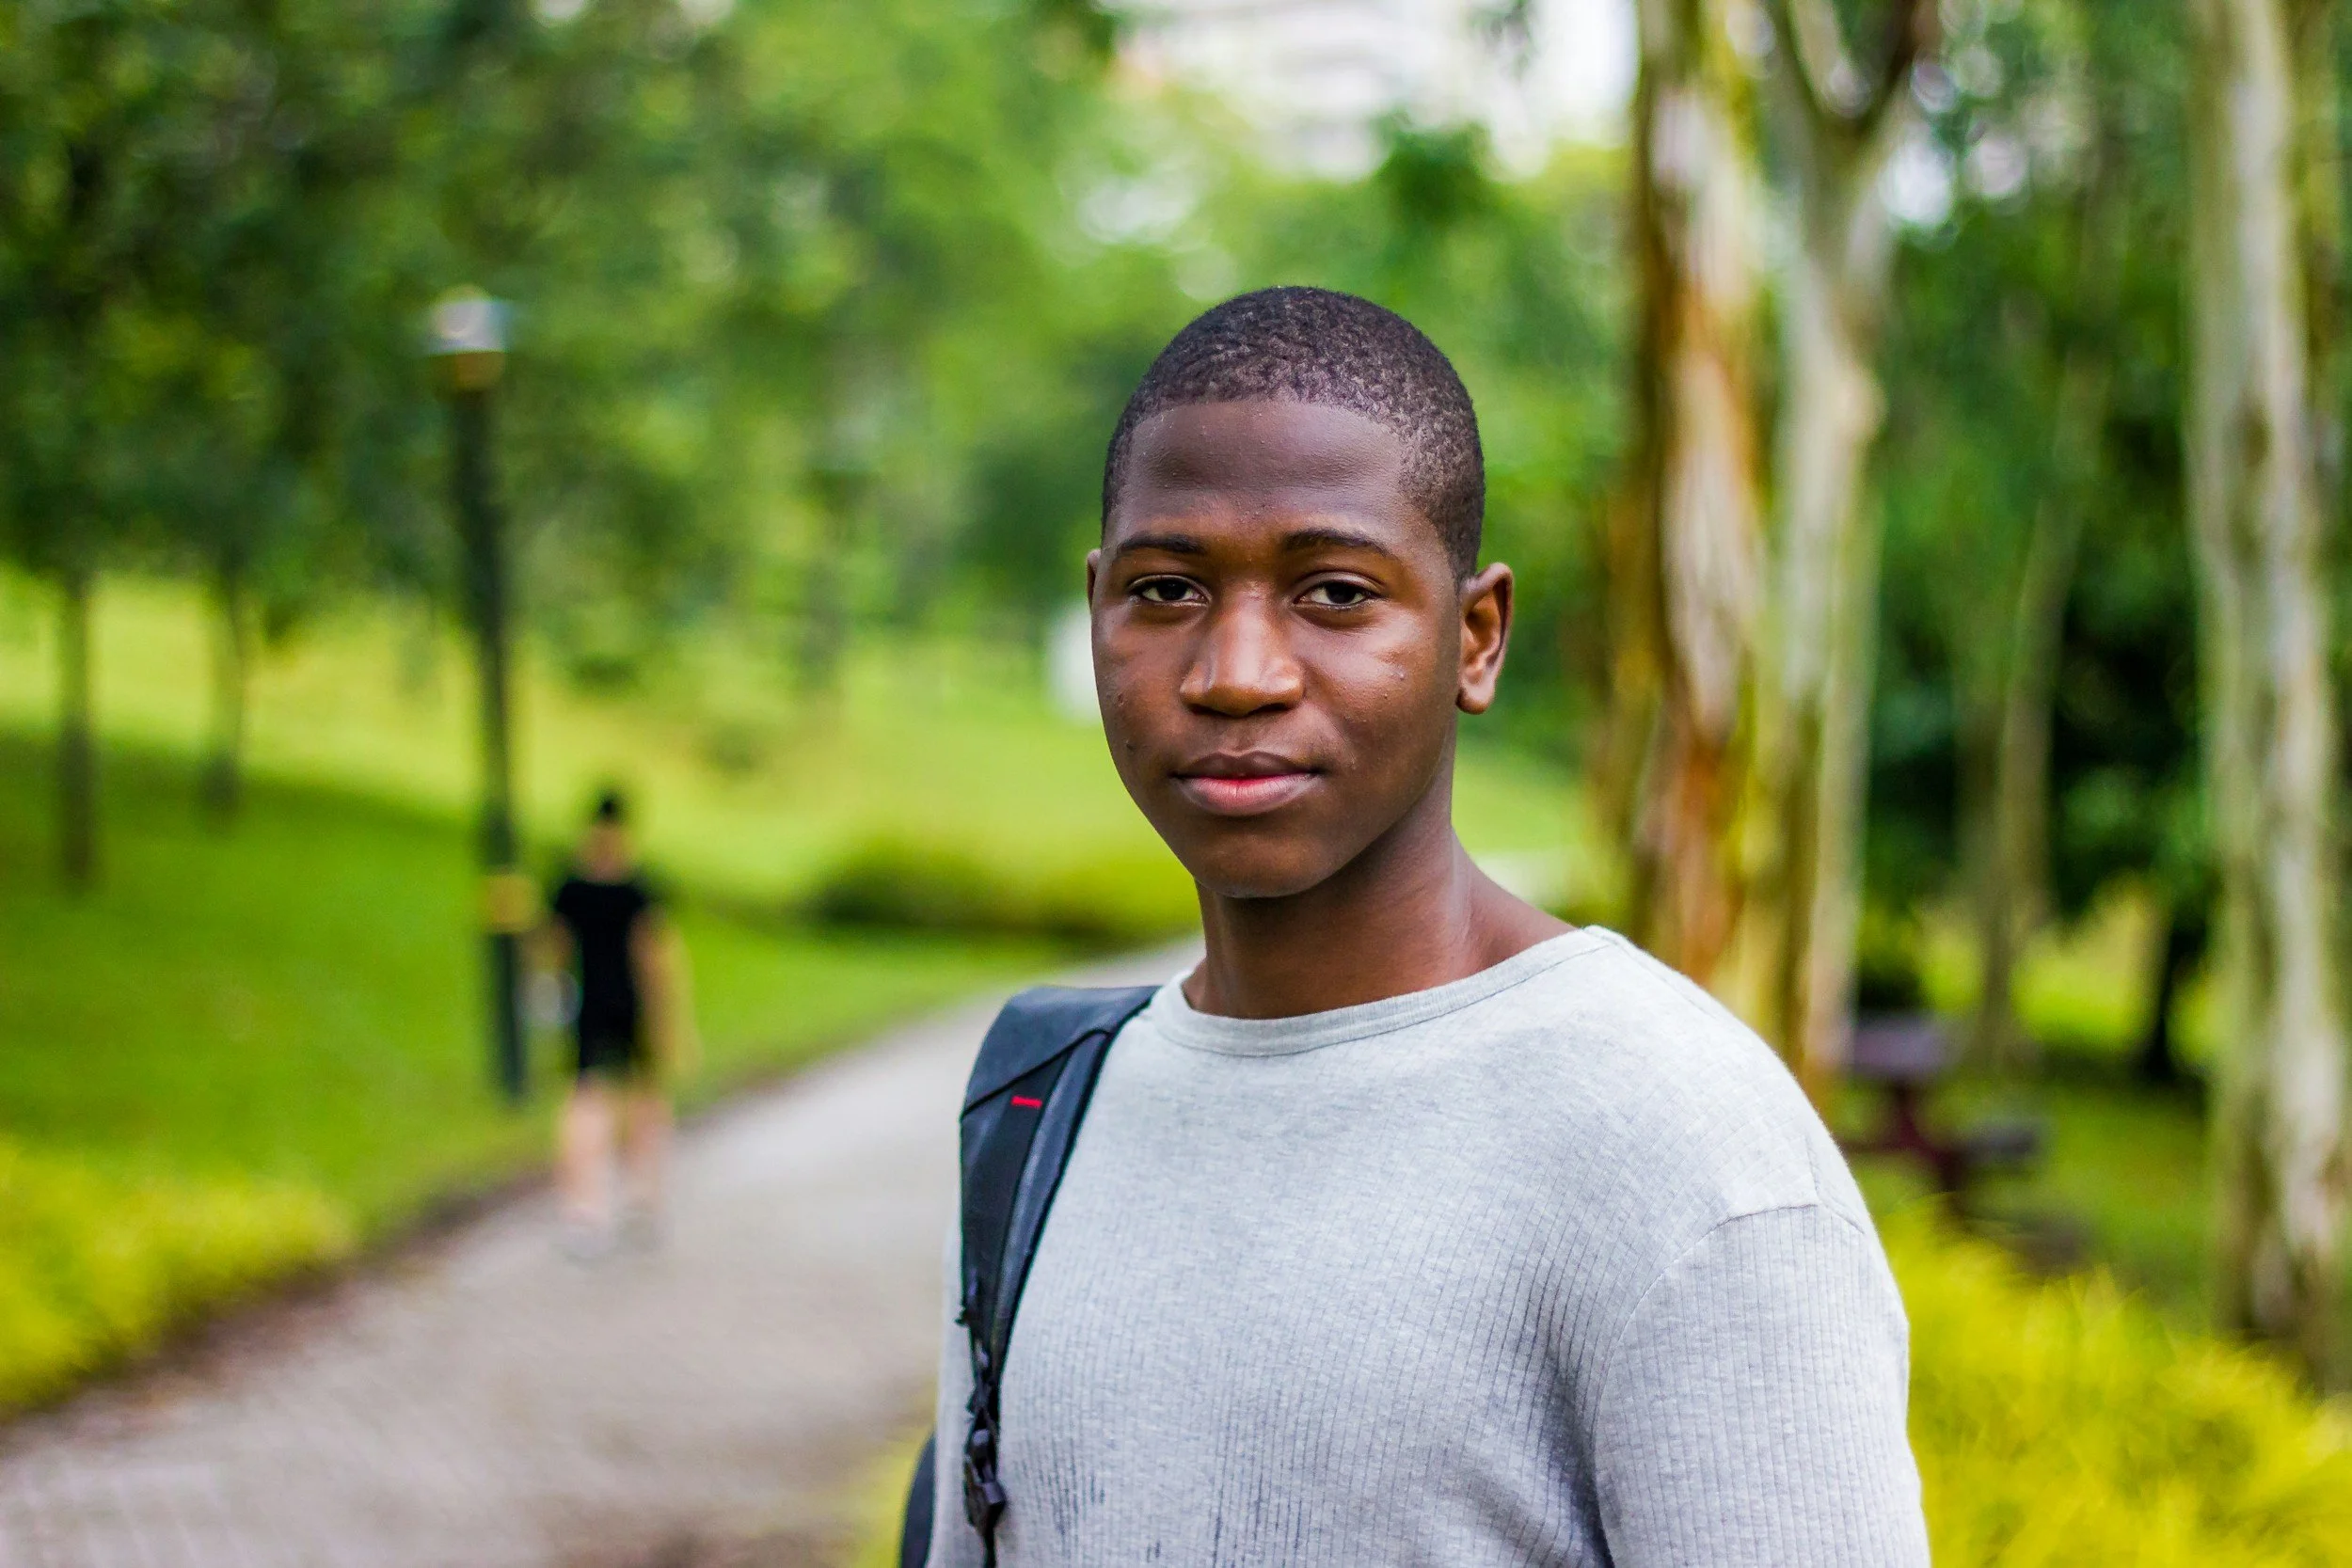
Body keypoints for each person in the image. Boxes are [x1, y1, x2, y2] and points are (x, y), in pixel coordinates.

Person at [925, 288, 1929, 1564]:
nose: (1236, 670)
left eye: (1334, 592)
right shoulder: (1042, 1113)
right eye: (1168, 588)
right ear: (1097, 609)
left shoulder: (1680, 1148)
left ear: (1476, 634)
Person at [542, 789, 693, 1256]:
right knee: (644, 1099)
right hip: (631, 1005)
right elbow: (654, 956)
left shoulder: (571, 886)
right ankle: (642, 1198)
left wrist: (549, 993)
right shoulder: (637, 887)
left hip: (587, 1003)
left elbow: (552, 948)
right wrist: (671, 1020)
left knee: (586, 1099)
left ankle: (583, 1210)